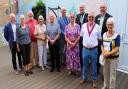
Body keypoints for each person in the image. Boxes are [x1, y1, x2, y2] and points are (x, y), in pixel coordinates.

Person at [80, 12, 101, 88]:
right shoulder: (83, 26)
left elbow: (99, 39)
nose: (91, 18)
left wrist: (92, 44)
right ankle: (84, 78)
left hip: (94, 50)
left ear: (94, 18)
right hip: (85, 49)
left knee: (94, 66)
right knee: (85, 65)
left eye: (92, 17)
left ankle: (94, 80)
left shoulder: (97, 27)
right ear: (87, 17)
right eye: (89, 17)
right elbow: (82, 36)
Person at [101, 17, 120, 89]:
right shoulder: (104, 34)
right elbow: (102, 45)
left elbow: (117, 48)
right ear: (106, 25)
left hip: (113, 58)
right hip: (105, 58)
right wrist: (103, 52)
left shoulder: (117, 35)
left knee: (112, 74)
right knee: (105, 73)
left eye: (111, 25)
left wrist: (108, 54)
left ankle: (111, 87)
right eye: (108, 24)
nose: (109, 26)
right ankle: (105, 86)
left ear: (113, 25)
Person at [95, 2, 112, 74]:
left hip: (106, 41)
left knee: (105, 56)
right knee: (98, 55)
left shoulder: (110, 17)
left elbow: (111, 29)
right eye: (101, 8)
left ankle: (104, 73)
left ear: (106, 8)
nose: (102, 9)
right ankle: (97, 70)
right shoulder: (96, 17)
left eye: (103, 7)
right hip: (97, 40)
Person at [76, 3, 88, 68]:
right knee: (80, 50)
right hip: (79, 36)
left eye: (82, 8)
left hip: (85, 36)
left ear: (84, 8)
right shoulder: (77, 16)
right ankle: (80, 63)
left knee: (85, 50)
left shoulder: (87, 15)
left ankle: (85, 63)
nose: (81, 9)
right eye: (80, 8)